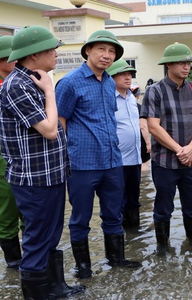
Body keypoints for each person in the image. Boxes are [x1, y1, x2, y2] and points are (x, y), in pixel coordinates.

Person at [0, 25, 85, 300]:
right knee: (36, 239)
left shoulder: (31, 79)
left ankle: (53, 288)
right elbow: (49, 129)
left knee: (50, 233)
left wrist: (46, 85)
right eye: (52, 49)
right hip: (33, 178)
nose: (56, 54)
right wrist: (49, 88)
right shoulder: (17, 85)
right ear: (34, 54)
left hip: (51, 173)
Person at [56, 30, 141, 279]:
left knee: (113, 214)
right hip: (82, 163)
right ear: (88, 51)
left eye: (111, 51)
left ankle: (116, 259)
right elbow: (60, 120)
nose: (107, 55)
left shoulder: (109, 82)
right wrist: (64, 155)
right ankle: (83, 267)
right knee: (80, 218)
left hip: (113, 161)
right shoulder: (70, 82)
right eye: (101, 49)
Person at [142, 42, 192, 255]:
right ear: (168, 64)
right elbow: (153, 126)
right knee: (163, 209)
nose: (186, 66)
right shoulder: (155, 91)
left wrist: (190, 148)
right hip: (164, 162)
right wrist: (180, 150)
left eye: (188, 62)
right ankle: (163, 249)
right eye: (181, 62)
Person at [0, 35, 23, 270]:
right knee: (6, 211)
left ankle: (32, 262)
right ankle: (14, 263)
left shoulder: (16, 80)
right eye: (13, 57)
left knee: (28, 210)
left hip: (20, 158)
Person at [107, 60, 143, 231]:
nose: (128, 77)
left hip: (135, 158)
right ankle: (119, 236)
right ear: (111, 77)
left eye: (129, 74)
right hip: (118, 160)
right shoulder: (108, 98)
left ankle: (135, 235)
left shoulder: (131, 98)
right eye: (122, 74)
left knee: (134, 199)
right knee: (117, 200)